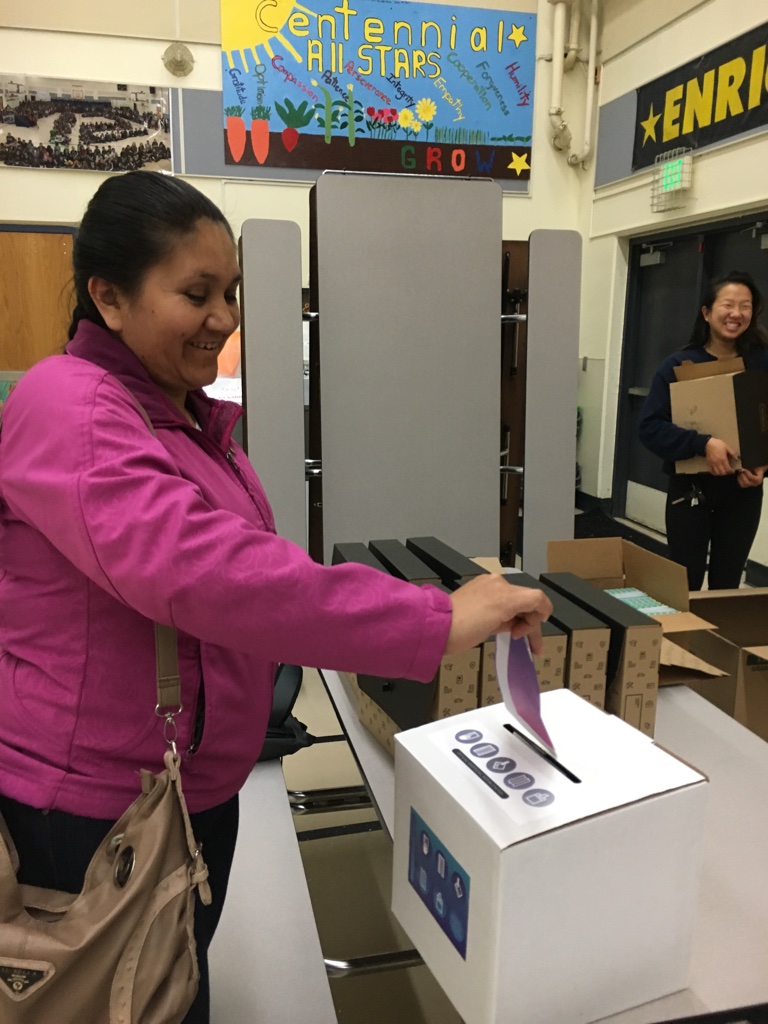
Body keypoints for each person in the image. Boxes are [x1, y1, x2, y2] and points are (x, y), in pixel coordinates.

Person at [0, 171, 551, 1024]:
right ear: (108, 297)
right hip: (97, 812)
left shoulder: (180, 413)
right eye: (196, 293)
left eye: (232, 292)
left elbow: (246, 566)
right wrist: (433, 619)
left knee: (169, 985)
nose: (224, 318)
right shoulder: (72, 409)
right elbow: (205, 572)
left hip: (184, 789)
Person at [639, 269, 768, 591]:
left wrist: (764, 467)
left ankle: (719, 641)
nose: (736, 314)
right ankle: (685, 641)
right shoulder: (678, 366)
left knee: (727, 581)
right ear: (707, 312)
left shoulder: (762, 365)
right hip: (690, 491)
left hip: (743, 492)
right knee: (685, 581)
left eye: (746, 306)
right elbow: (650, 427)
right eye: (728, 305)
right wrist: (702, 443)